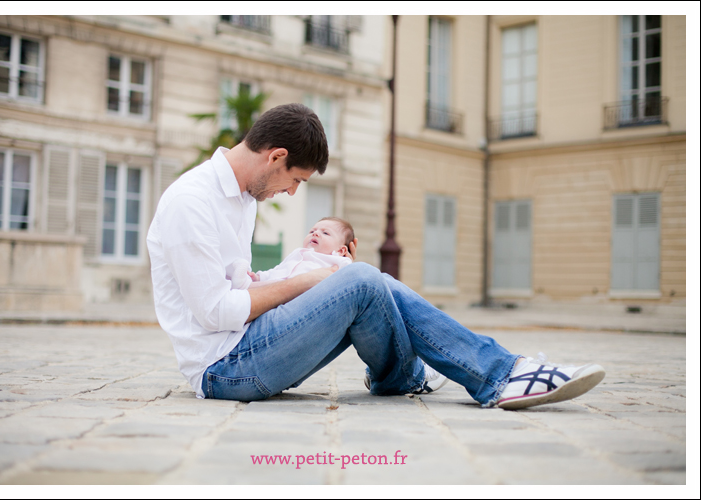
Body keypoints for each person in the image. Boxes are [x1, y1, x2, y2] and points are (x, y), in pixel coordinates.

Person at [147, 103, 605, 411]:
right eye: (297, 180)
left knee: (364, 280)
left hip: (248, 342)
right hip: (224, 370)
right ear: (276, 156)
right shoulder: (193, 202)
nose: (291, 191)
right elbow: (212, 313)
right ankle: (493, 376)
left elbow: (237, 289)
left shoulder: (242, 201)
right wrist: (307, 282)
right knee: (361, 279)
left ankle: (472, 373)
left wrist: (274, 280)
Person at [230, 217, 354, 290]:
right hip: (284, 284)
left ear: (341, 250)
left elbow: (349, 277)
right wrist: (259, 277)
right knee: (272, 284)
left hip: (304, 292)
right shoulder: (298, 253)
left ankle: (243, 285)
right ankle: (248, 283)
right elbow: (279, 269)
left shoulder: (337, 261)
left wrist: (349, 263)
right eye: (312, 231)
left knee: (273, 287)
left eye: (325, 233)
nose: (315, 234)